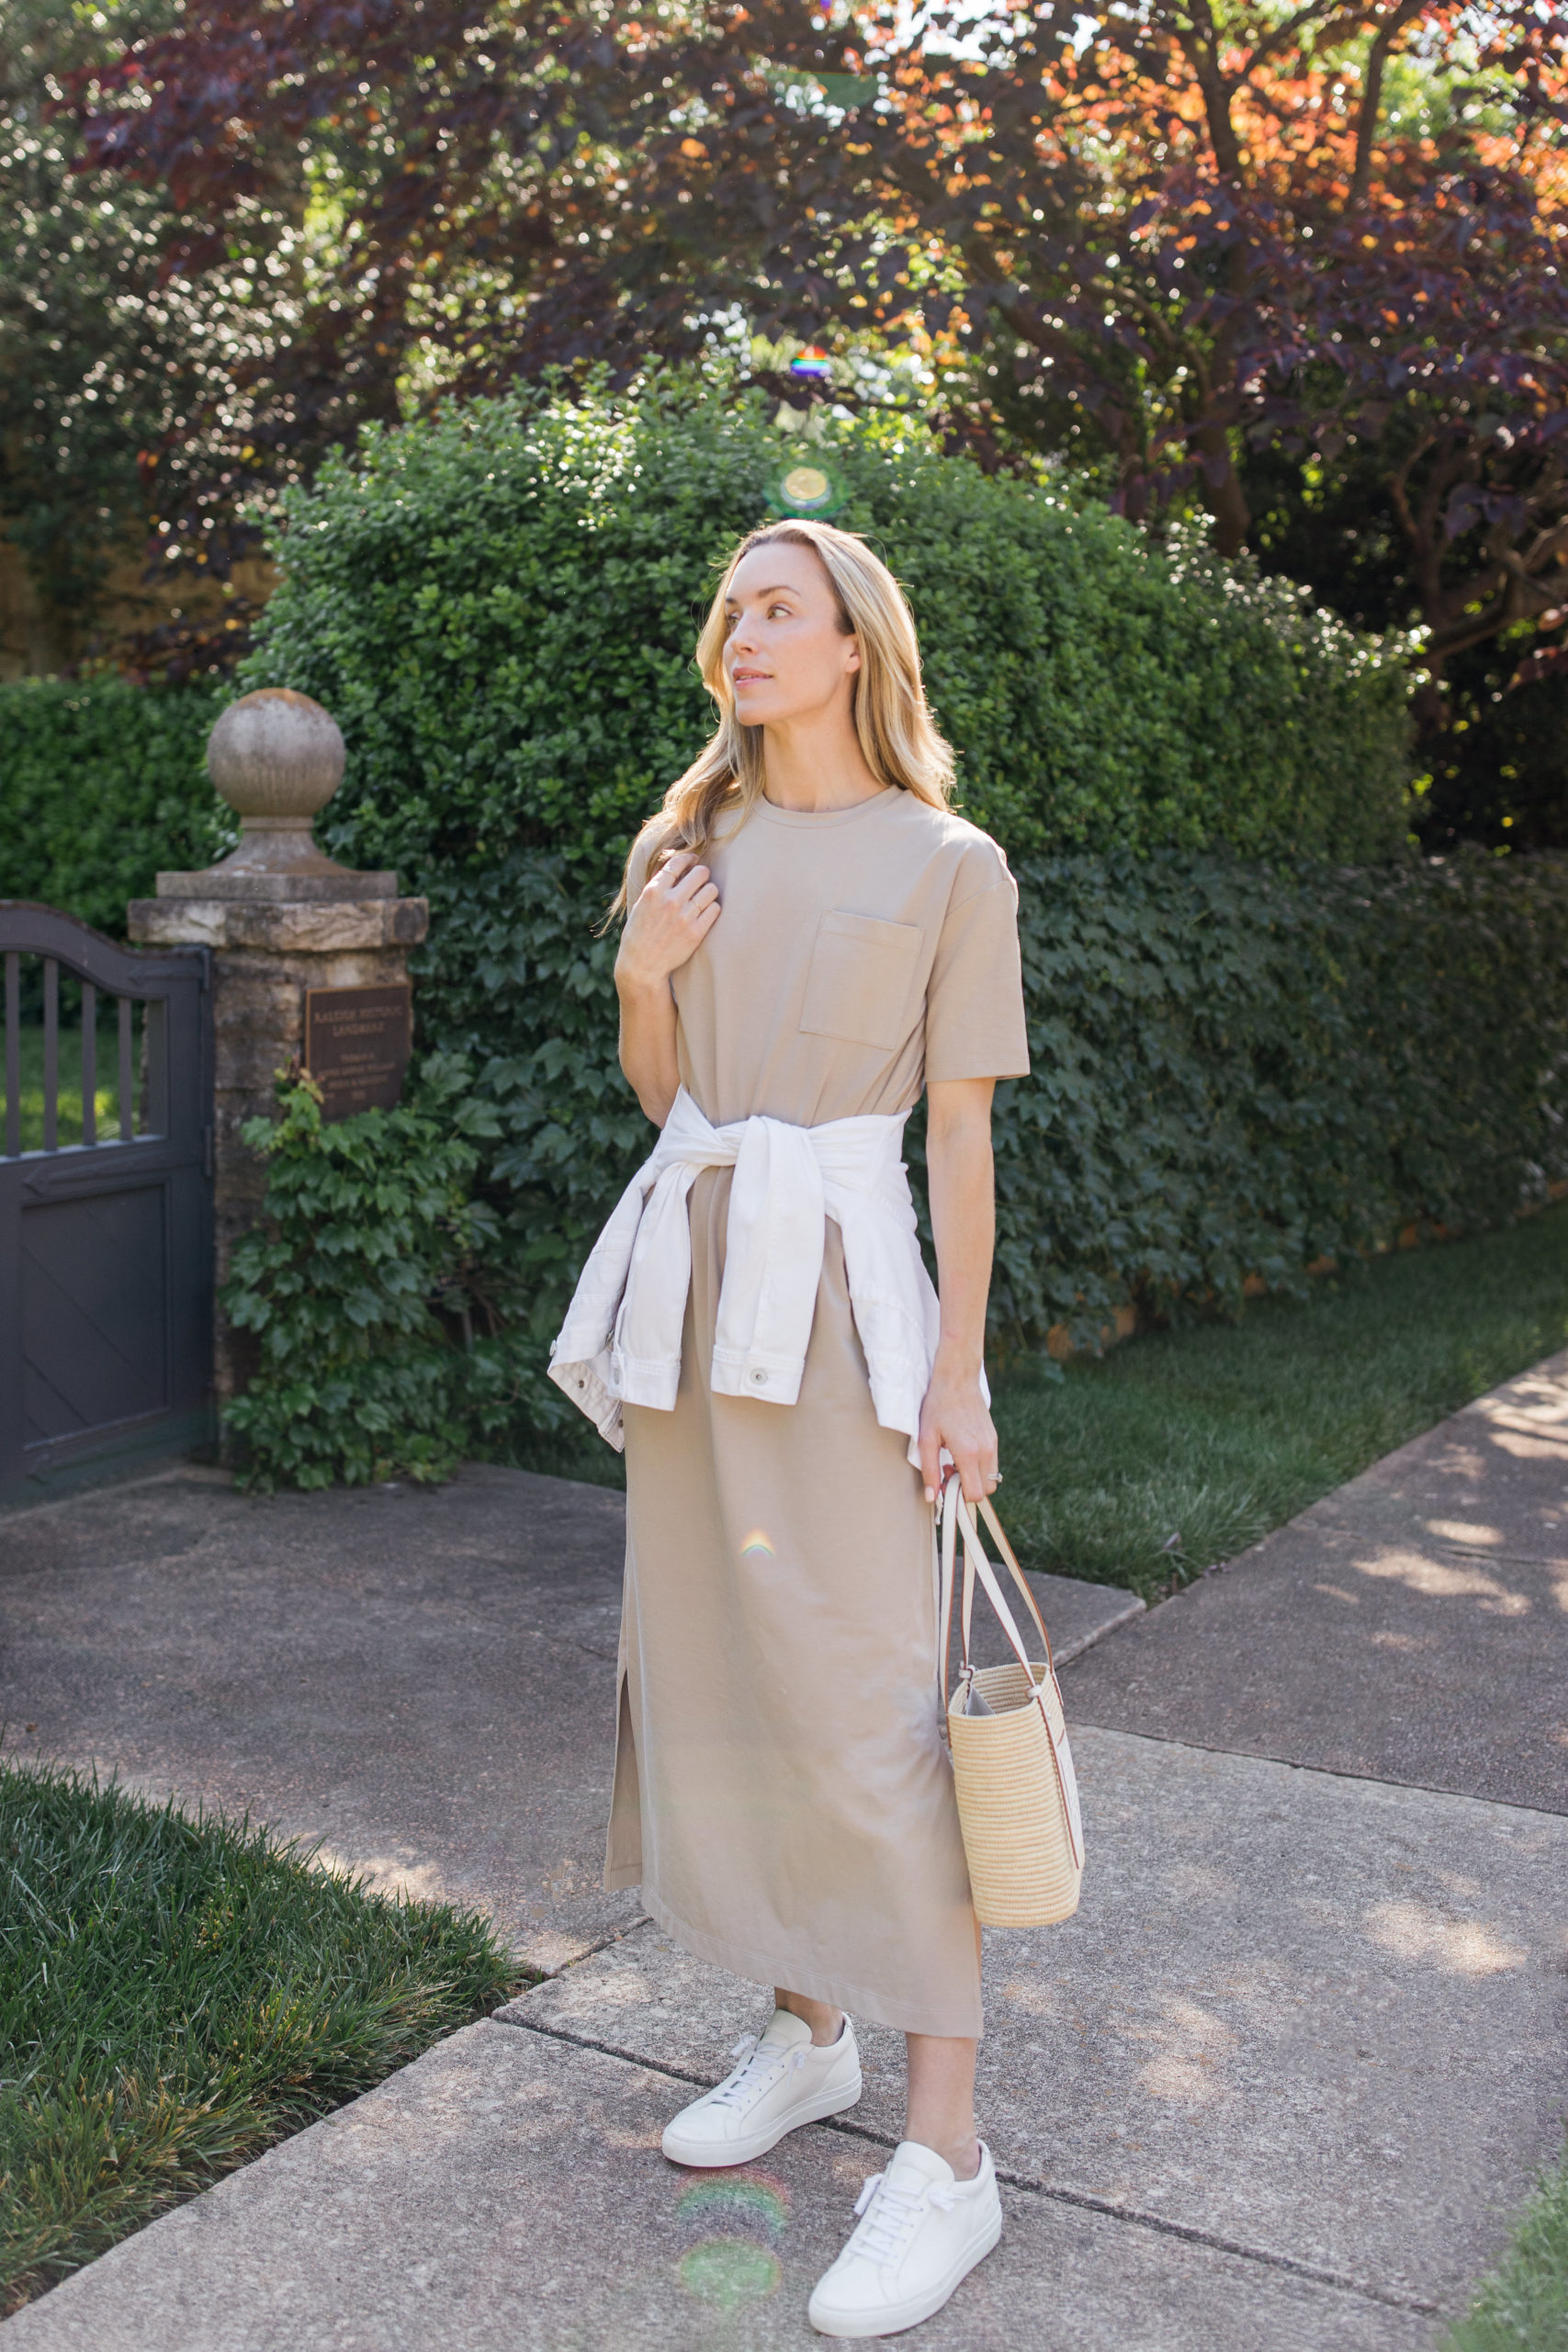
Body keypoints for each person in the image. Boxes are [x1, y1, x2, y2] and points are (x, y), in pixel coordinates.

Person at [549, 514, 1030, 2338]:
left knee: (870, 1708)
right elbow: (669, 1099)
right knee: (729, 1676)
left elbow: (960, 1137)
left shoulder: (945, 861)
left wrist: (957, 1370)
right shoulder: (694, 842)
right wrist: (641, 973)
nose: (738, 634)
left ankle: (947, 2151)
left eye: (776, 608)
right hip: (688, 1291)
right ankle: (804, 2026)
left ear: (852, 645)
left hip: (843, 1310)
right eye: (728, 609)